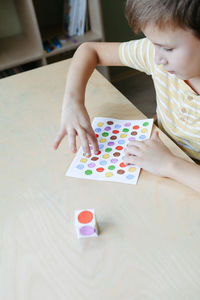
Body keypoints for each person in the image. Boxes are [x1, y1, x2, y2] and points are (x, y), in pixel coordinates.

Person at [54, 0, 200, 193]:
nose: (157, 59)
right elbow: (90, 50)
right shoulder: (156, 54)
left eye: (168, 49)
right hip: (160, 153)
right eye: (152, 43)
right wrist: (73, 101)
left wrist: (168, 164)